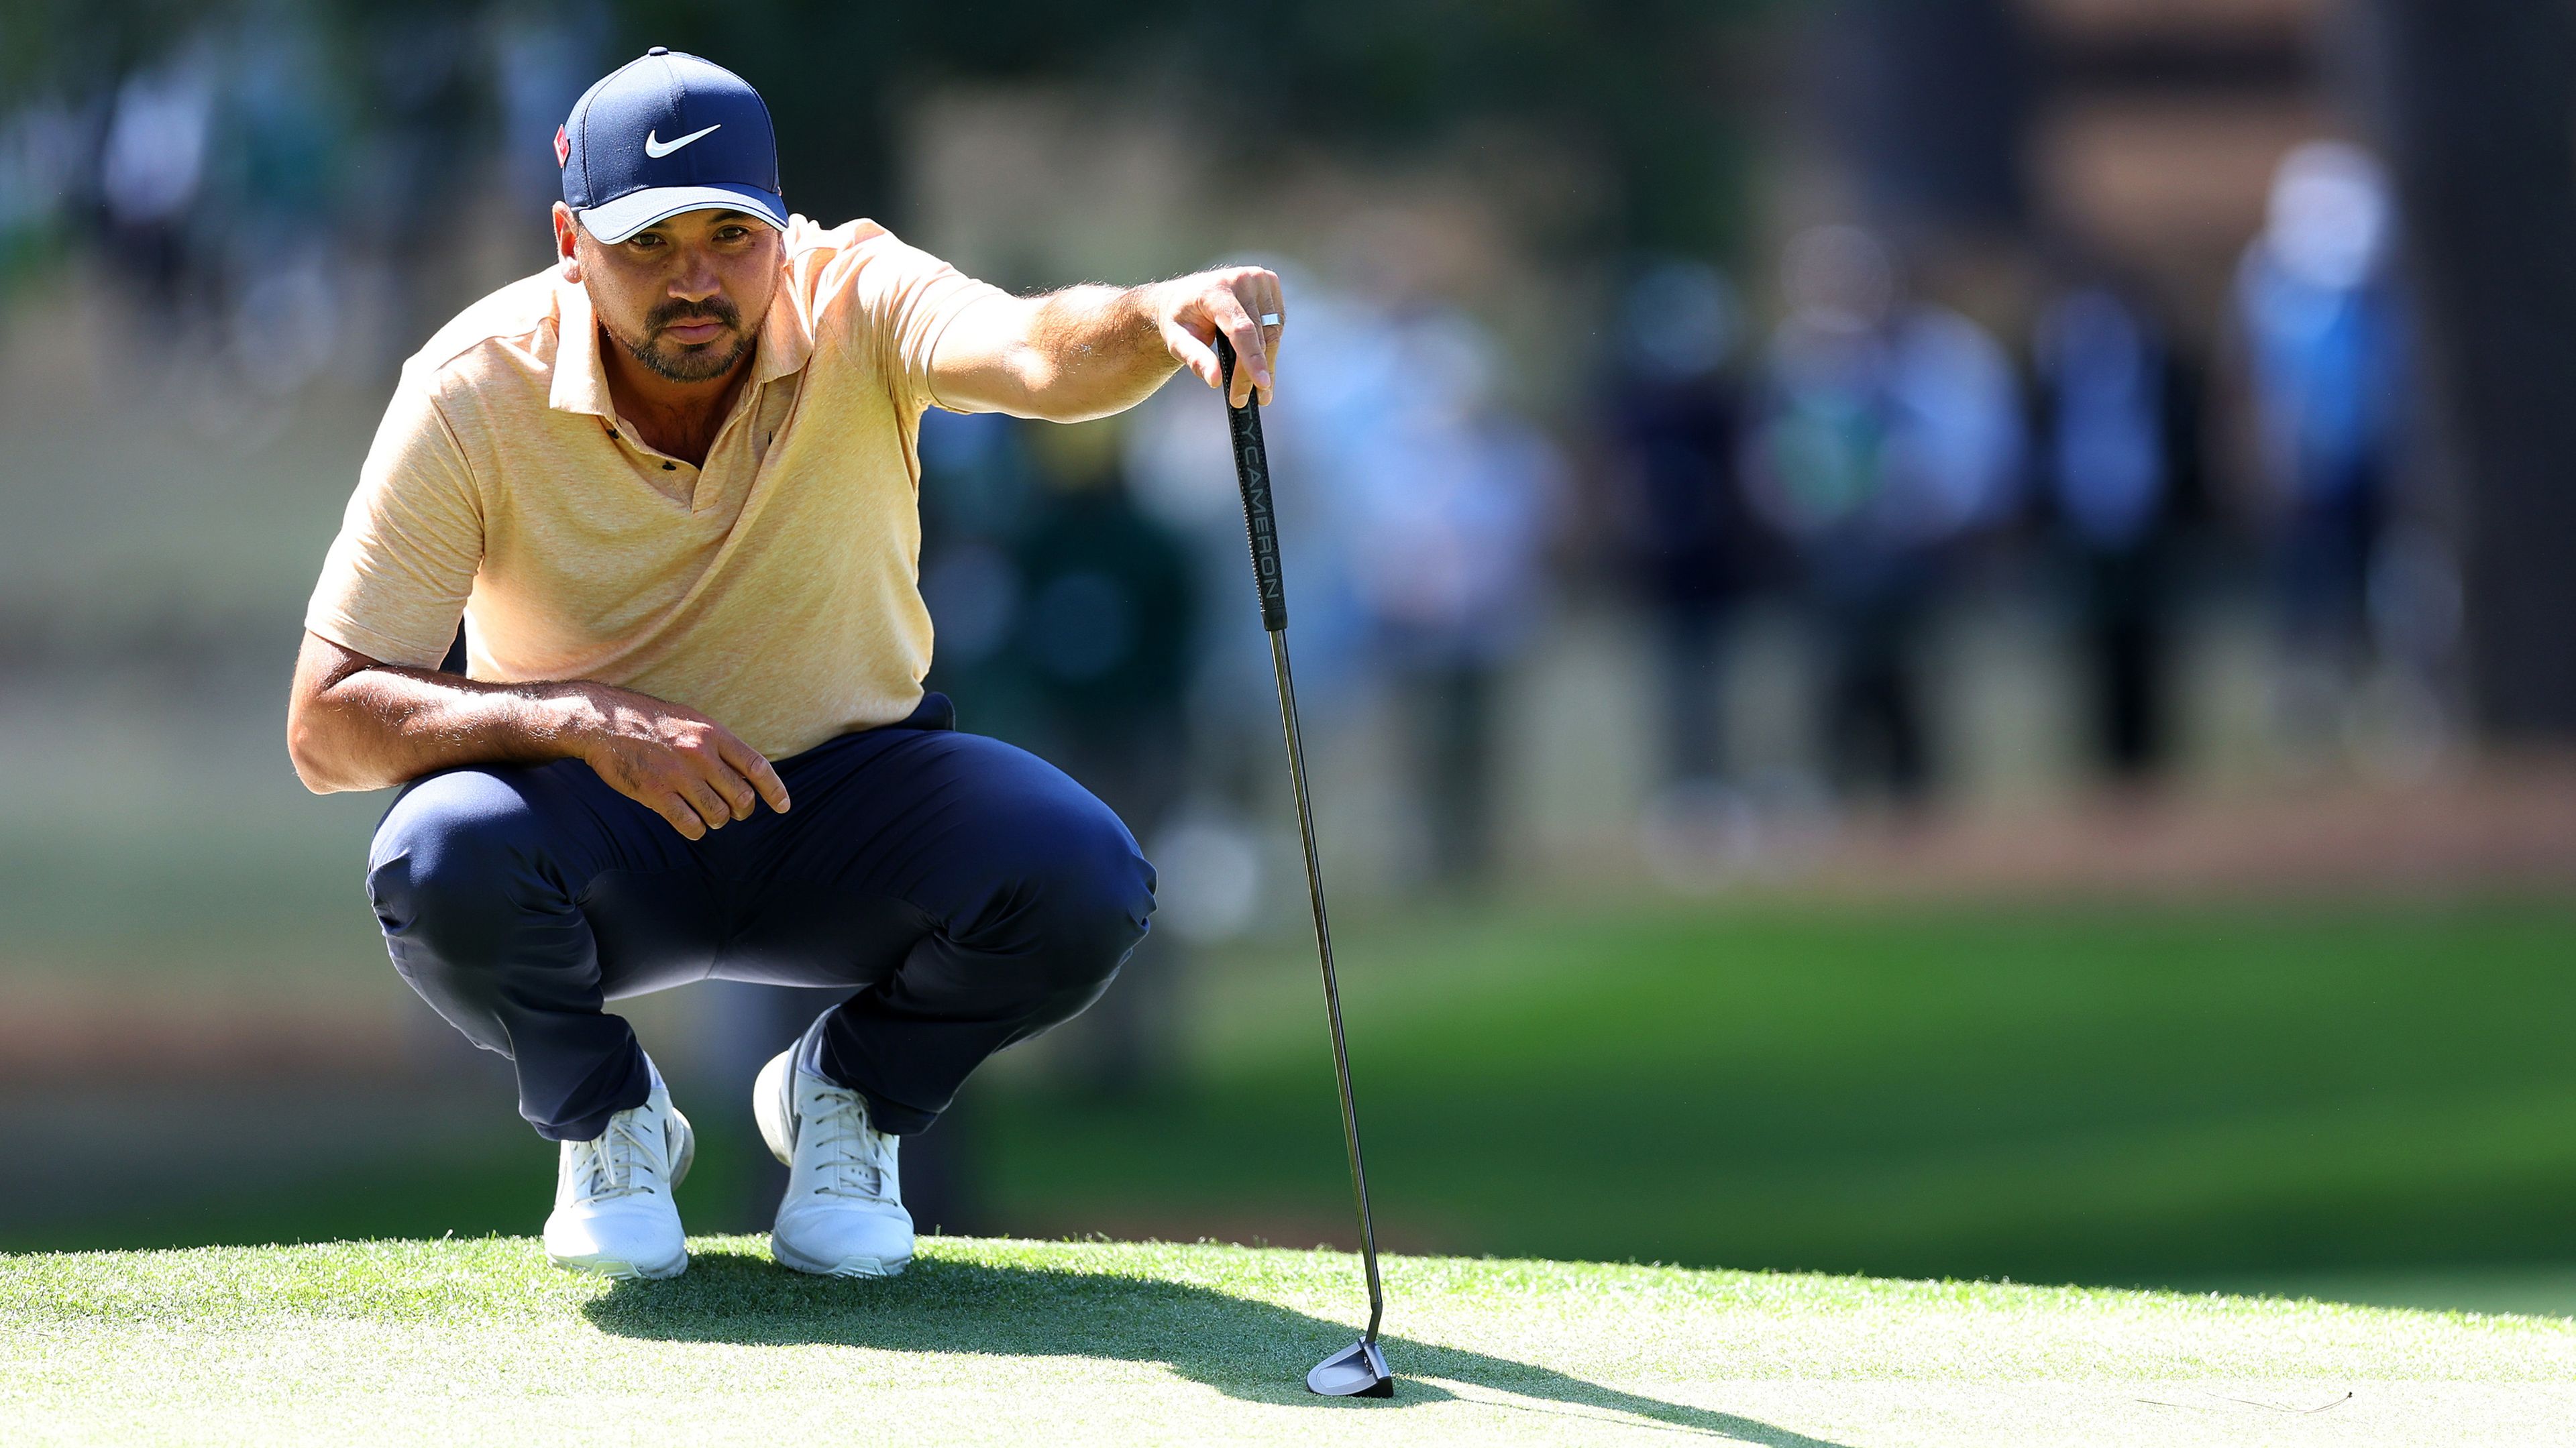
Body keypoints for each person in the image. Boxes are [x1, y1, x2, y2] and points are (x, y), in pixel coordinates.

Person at [284, 50, 1288, 1282]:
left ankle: (848, 1096)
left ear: (782, 224)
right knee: (436, 857)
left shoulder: (857, 296)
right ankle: (608, 1117)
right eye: (647, 244)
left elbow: (1032, 352)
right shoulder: (469, 387)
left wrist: (1147, 317)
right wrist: (582, 722)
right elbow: (328, 726)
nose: (694, 281)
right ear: (568, 241)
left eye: (730, 235)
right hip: (596, 832)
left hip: (852, 807)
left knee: (1087, 879)